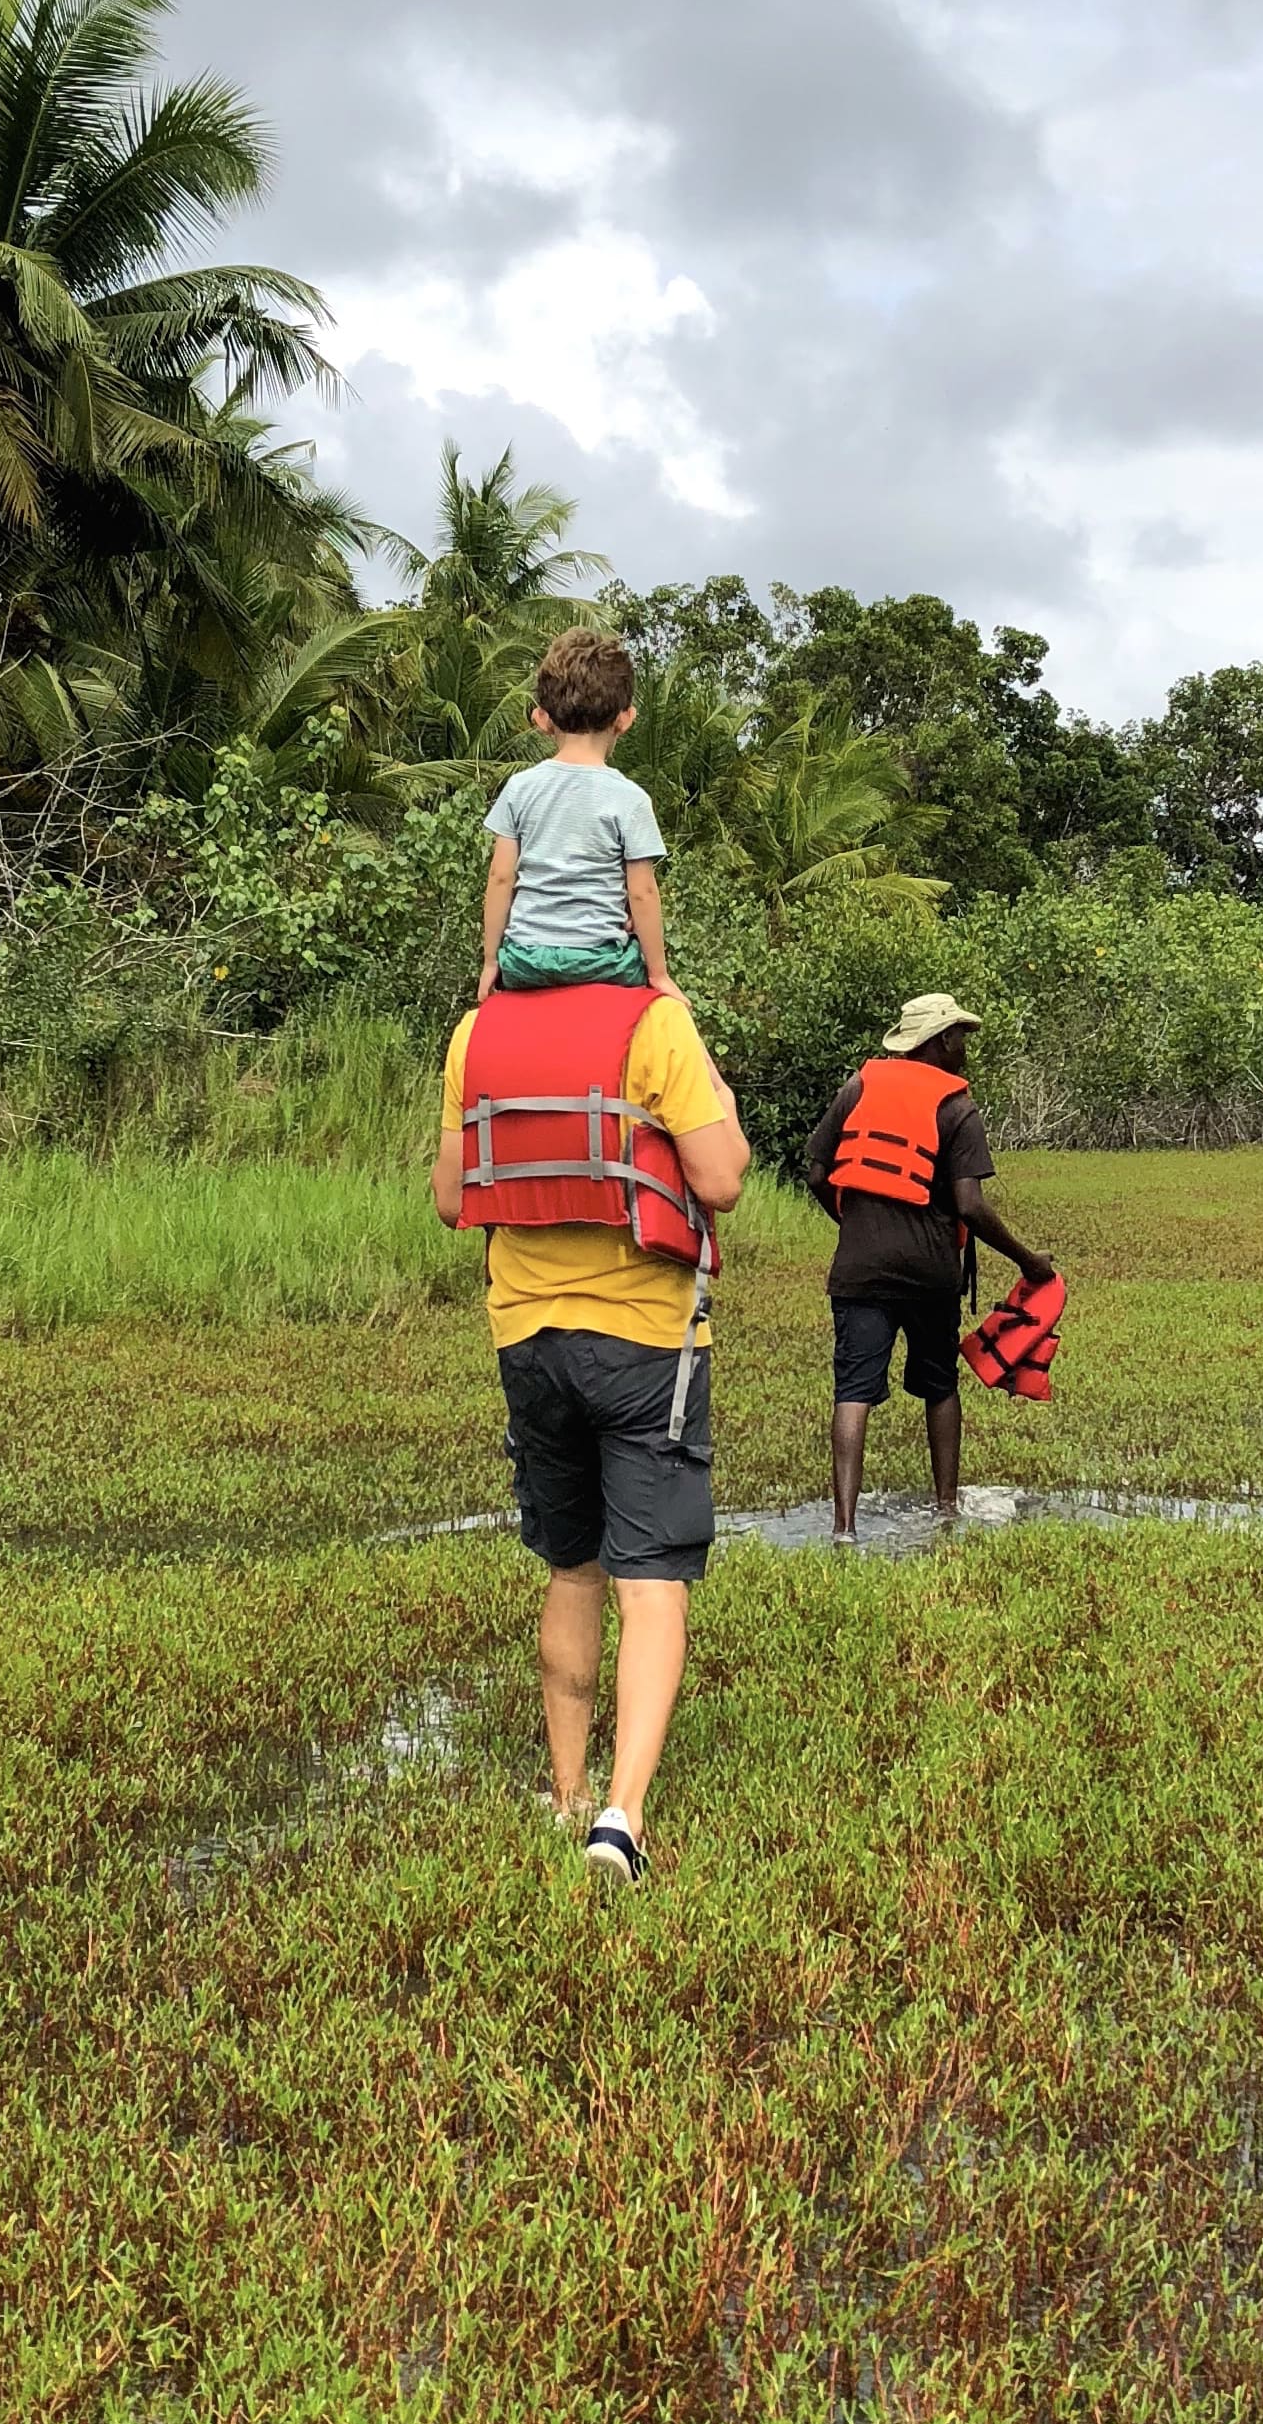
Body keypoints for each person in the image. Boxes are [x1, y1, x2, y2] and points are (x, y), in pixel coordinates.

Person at [435, 964, 750, 1883]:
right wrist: (715, 1080)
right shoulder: (657, 1023)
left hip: (527, 1341)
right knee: (650, 1582)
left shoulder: (476, 1034)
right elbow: (723, 1178)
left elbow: (452, 1200)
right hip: (644, 1342)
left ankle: (567, 1790)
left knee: (571, 1567)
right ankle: (621, 1818)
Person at [804, 993, 1055, 1541]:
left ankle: (844, 1527)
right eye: (960, 1036)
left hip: (859, 1271)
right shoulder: (957, 1108)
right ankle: (946, 1507)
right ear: (941, 1040)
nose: (965, 1046)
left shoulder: (858, 1087)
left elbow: (817, 1173)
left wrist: (852, 1224)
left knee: (852, 1392)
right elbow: (970, 1206)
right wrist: (1028, 1261)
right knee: (940, 1386)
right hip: (930, 1275)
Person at [477, 628, 672, 998]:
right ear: (626, 719)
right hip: (601, 962)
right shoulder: (631, 799)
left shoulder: (519, 788)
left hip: (525, 961)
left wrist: (491, 962)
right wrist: (659, 975)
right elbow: (643, 893)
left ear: (541, 718)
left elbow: (500, 877)